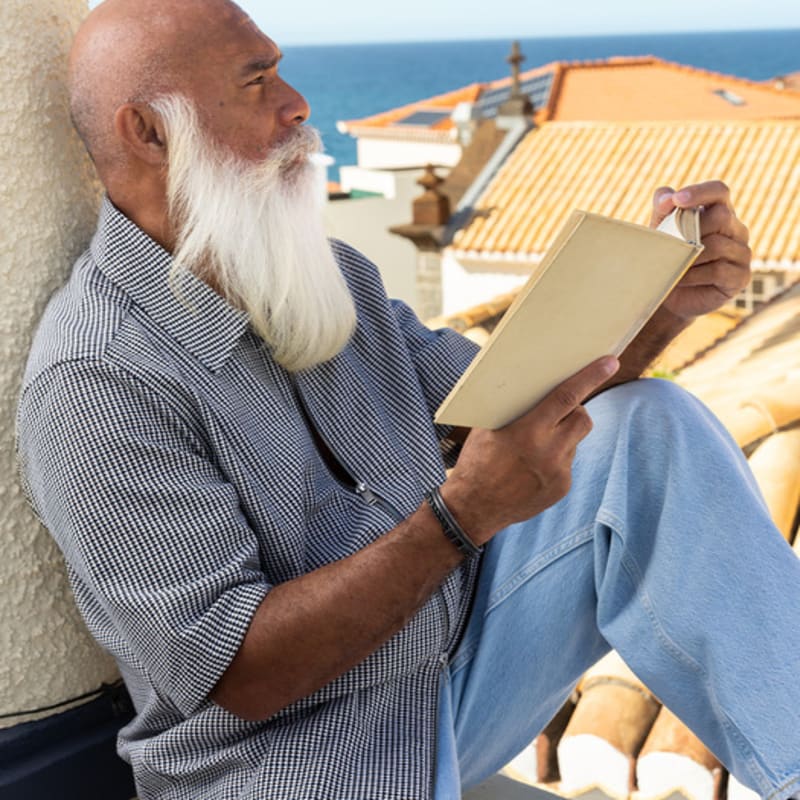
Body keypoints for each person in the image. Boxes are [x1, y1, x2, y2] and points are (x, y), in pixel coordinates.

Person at [15, 0, 800, 798]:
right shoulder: (96, 384)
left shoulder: (327, 273)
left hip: (444, 673)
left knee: (650, 429)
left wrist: (663, 308)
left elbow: (511, 406)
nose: (298, 104)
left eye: (281, 71)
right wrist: (460, 520)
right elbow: (238, 676)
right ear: (147, 132)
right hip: (302, 763)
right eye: (257, 83)